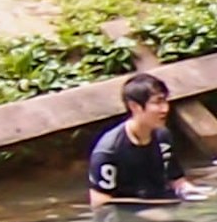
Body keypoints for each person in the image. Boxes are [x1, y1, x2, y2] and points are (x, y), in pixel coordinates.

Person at [86, 73, 207, 208]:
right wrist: (145, 214)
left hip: (164, 204)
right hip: (130, 220)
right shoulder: (109, 150)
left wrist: (191, 191)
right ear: (134, 106)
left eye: (165, 101)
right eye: (157, 102)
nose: (165, 109)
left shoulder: (163, 136)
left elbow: (176, 178)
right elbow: (100, 202)